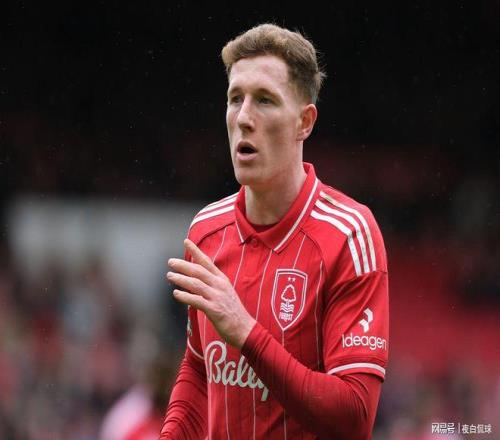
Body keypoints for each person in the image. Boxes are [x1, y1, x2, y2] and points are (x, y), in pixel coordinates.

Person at [160, 23, 388, 440]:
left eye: (264, 100)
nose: (244, 118)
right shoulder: (206, 231)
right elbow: (199, 369)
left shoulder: (349, 235)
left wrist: (247, 334)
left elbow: (354, 416)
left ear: (305, 122)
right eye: (235, 99)